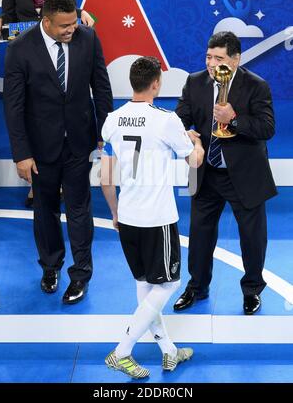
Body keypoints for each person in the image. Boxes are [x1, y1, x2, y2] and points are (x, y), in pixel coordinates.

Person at [3, 0, 113, 304]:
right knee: (45, 210)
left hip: (80, 142)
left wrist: (105, 131)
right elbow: (13, 107)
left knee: (79, 209)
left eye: (74, 23)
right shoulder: (20, 49)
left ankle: (80, 274)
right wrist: (21, 153)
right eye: (64, 25)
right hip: (40, 149)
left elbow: (101, 87)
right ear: (46, 21)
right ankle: (50, 267)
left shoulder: (88, 39)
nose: (71, 29)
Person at [100, 56, 204, 378]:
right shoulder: (166, 119)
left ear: (132, 83)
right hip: (157, 218)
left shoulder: (112, 120)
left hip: (128, 216)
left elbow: (105, 176)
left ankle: (169, 351)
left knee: (146, 285)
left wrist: (115, 212)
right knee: (169, 283)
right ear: (156, 83)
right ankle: (122, 351)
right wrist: (195, 142)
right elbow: (195, 163)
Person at [173, 31, 277, 315]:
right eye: (208, 56)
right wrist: (188, 135)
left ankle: (252, 290)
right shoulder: (195, 82)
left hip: (243, 174)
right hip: (206, 172)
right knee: (200, 234)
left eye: (218, 58)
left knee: (252, 237)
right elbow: (180, 118)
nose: (211, 62)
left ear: (236, 59)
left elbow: (267, 129)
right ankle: (197, 287)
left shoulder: (256, 86)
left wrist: (234, 118)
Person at [0, 0, 95, 208]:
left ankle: (60, 181)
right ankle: (36, 183)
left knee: (58, 108)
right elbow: (9, 11)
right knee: (31, 112)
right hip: (28, 48)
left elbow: (68, 4)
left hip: (57, 43)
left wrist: (80, 12)